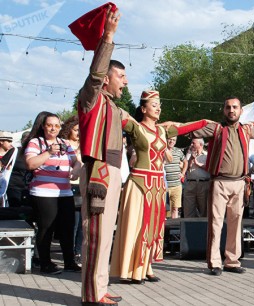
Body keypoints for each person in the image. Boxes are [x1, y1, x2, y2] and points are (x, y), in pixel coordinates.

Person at [186, 96, 254, 276]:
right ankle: (214, 263)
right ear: (224, 110)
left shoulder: (247, 130)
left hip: (239, 183)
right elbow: (193, 131)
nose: (231, 110)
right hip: (219, 182)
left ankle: (232, 261)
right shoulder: (216, 128)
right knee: (216, 224)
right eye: (228, 107)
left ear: (241, 111)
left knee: (236, 224)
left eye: (235, 107)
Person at [110, 90, 207, 284]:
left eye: (159, 105)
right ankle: (130, 270)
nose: (159, 108)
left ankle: (147, 267)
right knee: (136, 226)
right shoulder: (135, 128)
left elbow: (185, 128)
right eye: (154, 105)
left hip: (157, 184)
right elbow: (115, 114)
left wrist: (205, 123)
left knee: (154, 227)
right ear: (144, 108)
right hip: (139, 182)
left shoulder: (163, 131)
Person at [75, 7, 127, 305]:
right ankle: (92, 296)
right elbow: (94, 75)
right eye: (121, 75)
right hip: (99, 172)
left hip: (111, 171)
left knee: (105, 235)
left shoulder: (113, 108)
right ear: (106, 79)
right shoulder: (91, 98)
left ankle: (101, 287)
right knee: (94, 236)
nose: (125, 81)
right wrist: (107, 37)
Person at [23, 112, 82, 274]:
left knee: (67, 228)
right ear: (43, 126)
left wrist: (76, 170)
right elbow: (30, 164)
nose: (53, 128)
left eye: (57, 125)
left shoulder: (64, 143)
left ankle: (69, 262)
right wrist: (48, 152)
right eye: (50, 125)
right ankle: (45, 263)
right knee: (46, 228)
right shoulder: (36, 142)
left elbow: (76, 161)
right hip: (43, 193)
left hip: (64, 192)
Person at [59, 115, 84, 266]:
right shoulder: (64, 144)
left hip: (82, 185)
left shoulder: (84, 144)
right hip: (68, 184)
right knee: (72, 223)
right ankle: (69, 253)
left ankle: (79, 251)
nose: (78, 133)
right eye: (76, 130)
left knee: (82, 222)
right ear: (69, 130)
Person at [183, 138, 210, 218]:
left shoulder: (207, 155)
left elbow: (210, 168)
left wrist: (198, 164)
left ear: (200, 145)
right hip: (190, 183)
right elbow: (186, 168)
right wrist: (191, 158)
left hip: (203, 184)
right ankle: (188, 228)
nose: (191, 145)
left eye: (193, 143)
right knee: (188, 210)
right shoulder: (189, 154)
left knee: (204, 210)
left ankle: (203, 229)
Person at [163, 136, 186, 219]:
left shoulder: (178, 151)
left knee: (175, 208)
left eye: (174, 140)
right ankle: (164, 229)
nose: (172, 141)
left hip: (177, 185)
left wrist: (183, 173)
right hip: (164, 185)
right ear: (166, 140)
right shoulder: (162, 150)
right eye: (170, 139)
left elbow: (185, 162)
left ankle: (175, 227)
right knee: (164, 209)